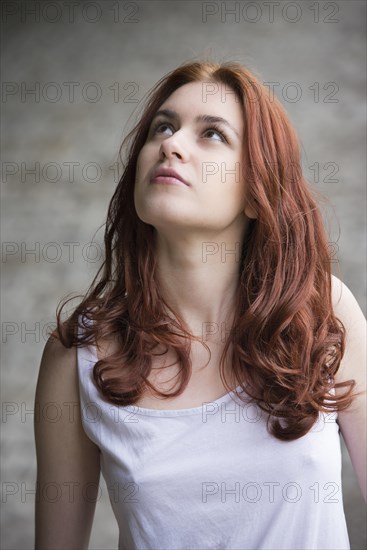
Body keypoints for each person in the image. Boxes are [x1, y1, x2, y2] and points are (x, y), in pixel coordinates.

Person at [34, 59, 366, 549]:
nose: (171, 144)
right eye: (162, 127)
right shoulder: (77, 356)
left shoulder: (322, 312)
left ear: (257, 192)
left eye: (212, 134)